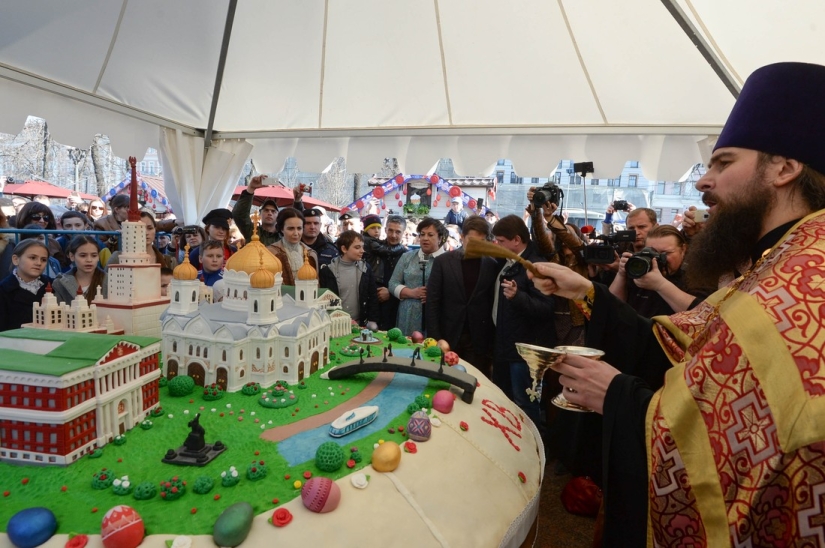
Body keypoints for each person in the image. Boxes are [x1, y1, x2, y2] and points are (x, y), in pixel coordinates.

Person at [530, 61, 825, 547]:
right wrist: (586, 291)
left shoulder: (803, 276)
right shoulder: (780, 260)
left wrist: (621, 398)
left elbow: (756, 449)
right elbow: (683, 346)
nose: (704, 181)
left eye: (724, 162)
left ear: (785, 168)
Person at [490, 215, 555, 426]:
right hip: (506, 346)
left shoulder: (536, 266)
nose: (497, 245)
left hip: (524, 352)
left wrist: (518, 297)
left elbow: (546, 308)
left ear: (516, 240)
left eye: (501, 241)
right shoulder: (508, 261)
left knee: (525, 403)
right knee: (506, 401)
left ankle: (533, 449)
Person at [425, 216, 498, 379]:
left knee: (475, 383)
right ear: (462, 237)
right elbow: (432, 302)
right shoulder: (443, 262)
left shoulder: (491, 265)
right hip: (448, 334)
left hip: (478, 338)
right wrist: (436, 337)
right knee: (444, 382)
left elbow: (492, 302)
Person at [608, 224, 710, 317]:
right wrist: (621, 274)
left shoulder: (696, 277)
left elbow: (702, 315)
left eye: (665, 253)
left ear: (683, 250)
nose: (657, 259)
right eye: (652, 252)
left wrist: (660, 285)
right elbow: (611, 306)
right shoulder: (641, 270)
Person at [388, 217, 447, 336]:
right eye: (422, 234)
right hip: (408, 314)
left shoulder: (447, 261)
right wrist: (411, 292)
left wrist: (434, 297)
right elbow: (392, 283)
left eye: (430, 235)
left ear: (440, 238)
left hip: (436, 314)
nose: (425, 238)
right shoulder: (407, 257)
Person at [319, 230, 379, 328]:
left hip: (360, 323)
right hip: (336, 324)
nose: (362, 250)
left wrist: (373, 320)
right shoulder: (328, 271)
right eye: (357, 247)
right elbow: (325, 301)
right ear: (344, 248)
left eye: (362, 247)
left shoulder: (365, 268)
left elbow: (372, 296)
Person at [232, 174, 304, 246]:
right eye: (266, 210)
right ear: (260, 214)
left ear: (277, 216)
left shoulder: (283, 235)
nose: (269, 213)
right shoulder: (252, 231)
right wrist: (251, 188)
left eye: (273, 211)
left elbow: (296, 222)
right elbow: (239, 215)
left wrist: (297, 201)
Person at [0, 240, 51, 331]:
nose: (38, 263)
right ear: (16, 259)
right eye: (32, 258)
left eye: (43, 259)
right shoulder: (3, 290)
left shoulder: (52, 285)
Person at [107, 211, 176, 271]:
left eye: (150, 228)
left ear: (155, 229)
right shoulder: (117, 258)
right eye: (140, 229)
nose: (146, 233)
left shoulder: (170, 261)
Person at [266, 208, 318, 286]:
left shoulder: (311, 253)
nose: (296, 233)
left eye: (299, 228)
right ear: (282, 229)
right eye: (291, 229)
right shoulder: (270, 253)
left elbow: (316, 284)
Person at [52, 235, 107, 304]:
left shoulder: (110, 281)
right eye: (83, 255)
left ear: (98, 257)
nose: (89, 260)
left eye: (94, 255)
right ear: (72, 256)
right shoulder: (59, 283)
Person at [15, 201, 67, 269]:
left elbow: (61, 265)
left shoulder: (53, 242)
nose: (42, 221)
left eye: (46, 217)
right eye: (36, 217)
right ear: (25, 218)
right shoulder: (14, 239)